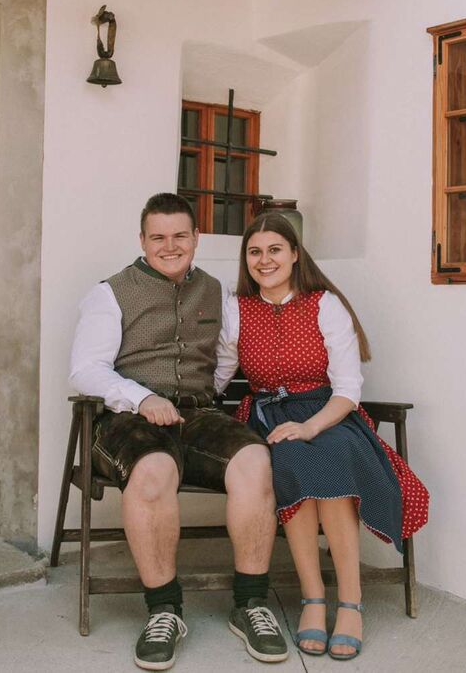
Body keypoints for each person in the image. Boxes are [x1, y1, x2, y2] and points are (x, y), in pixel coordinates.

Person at [69, 194, 289, 671]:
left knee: (255, 461)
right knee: (153, 470)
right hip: (128, 420)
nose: (170, 246)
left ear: (196, 238)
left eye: (180, 236)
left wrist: (200, 395)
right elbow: (85, 369)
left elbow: (226, 356)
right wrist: (141, 398)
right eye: (158, 237)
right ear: (142, 240)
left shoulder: (216, 291)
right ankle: (163, 610)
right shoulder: (110, 293)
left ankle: (250, 603)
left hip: (197, 415)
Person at [216, 213, 430, 661]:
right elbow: (218, 375)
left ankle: (350, 602)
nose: (264, 260)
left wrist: (311, 425)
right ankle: (313, 598)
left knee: (330, 461)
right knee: (291, 459)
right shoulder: (237, 310)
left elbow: (348, 390)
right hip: (269, 417)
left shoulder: (324, 304)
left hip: (328, 414)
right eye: (255, 252)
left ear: (295, 254)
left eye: (275, 249)